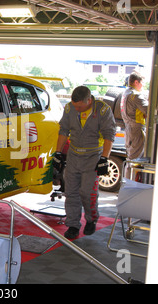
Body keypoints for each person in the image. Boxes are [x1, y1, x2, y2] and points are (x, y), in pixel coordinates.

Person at [53, 86, 116, 239]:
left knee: (88, 193)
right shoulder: (69, 108)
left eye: (80, 106)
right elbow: (63, 130)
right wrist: (58, 153)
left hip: (93, 156)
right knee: (71, 192)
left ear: (89, 100)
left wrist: (104, 158)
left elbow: (110, 134)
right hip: (74, 156)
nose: (77, 109)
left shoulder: (102, 110)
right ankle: (73, 225)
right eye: (75, 106)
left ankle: (91, 219)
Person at [120, 71, 149, 160]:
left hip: (128, 128)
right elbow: (149, 111)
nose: (143, 85)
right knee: (136, 159)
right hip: (136, 130)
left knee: (131, 157)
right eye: (142, 83)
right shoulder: (135, 95)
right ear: (136, 82)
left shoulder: (126, 93)